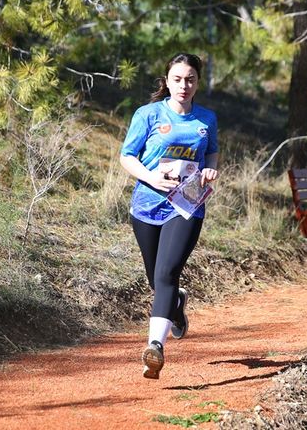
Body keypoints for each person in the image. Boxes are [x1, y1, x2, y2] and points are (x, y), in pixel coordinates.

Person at [119, 53, 219, 379]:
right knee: (156, 279)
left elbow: (212, 152)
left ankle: (155, 349)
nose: (184, 85)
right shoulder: (148, 115)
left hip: (187, 205)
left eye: (190, 79)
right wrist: (150, 177)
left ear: (198, 82)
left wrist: (210, 170)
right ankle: (176, 307)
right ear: (166, 81)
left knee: (166, 274)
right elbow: (127, 157)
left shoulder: (206, 119)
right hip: (147, 205)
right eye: (177, 79)